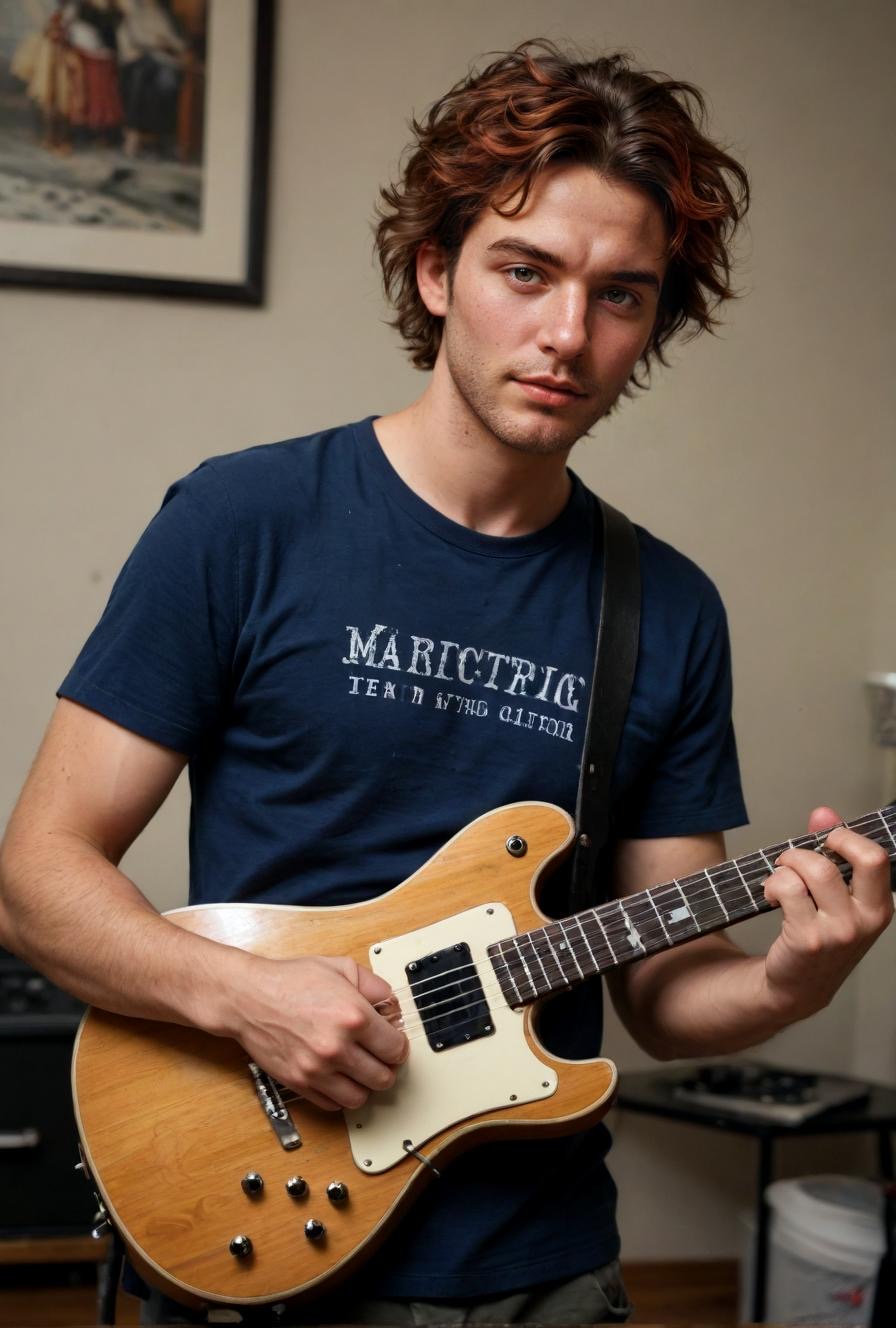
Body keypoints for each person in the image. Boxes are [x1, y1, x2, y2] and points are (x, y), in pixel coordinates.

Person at [0, 39, 891, 1327]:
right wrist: (250, 999)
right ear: (437, 269)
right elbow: (36, 880)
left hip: (545, 1269)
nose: (568, 335)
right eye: (525, 273)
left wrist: (796, 977)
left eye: (623, 295)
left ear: (654, 324)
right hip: (265, 1234)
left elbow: (664, 992)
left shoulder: (669, 607)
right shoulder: (244, 519)